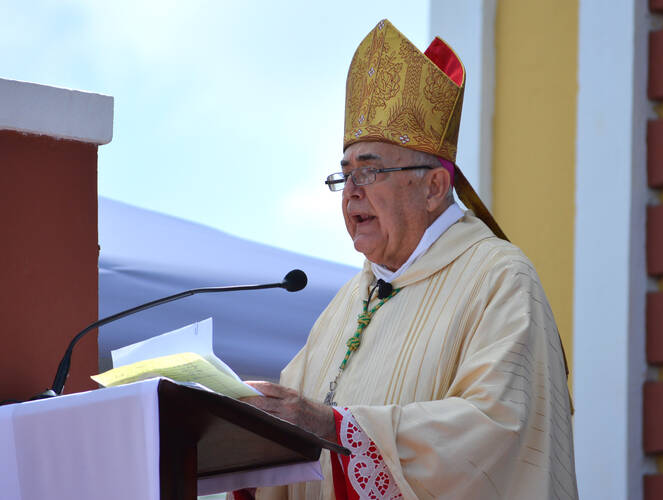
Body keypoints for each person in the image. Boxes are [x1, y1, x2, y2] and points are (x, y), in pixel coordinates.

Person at [241, 19, 578, 500]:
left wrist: (337, 427)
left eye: (372, 170)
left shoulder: (499, 279)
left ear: (434, 187)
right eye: (345, 175)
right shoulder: (343, 308)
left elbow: (499, 430)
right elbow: (282, 441)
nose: (352, 191)